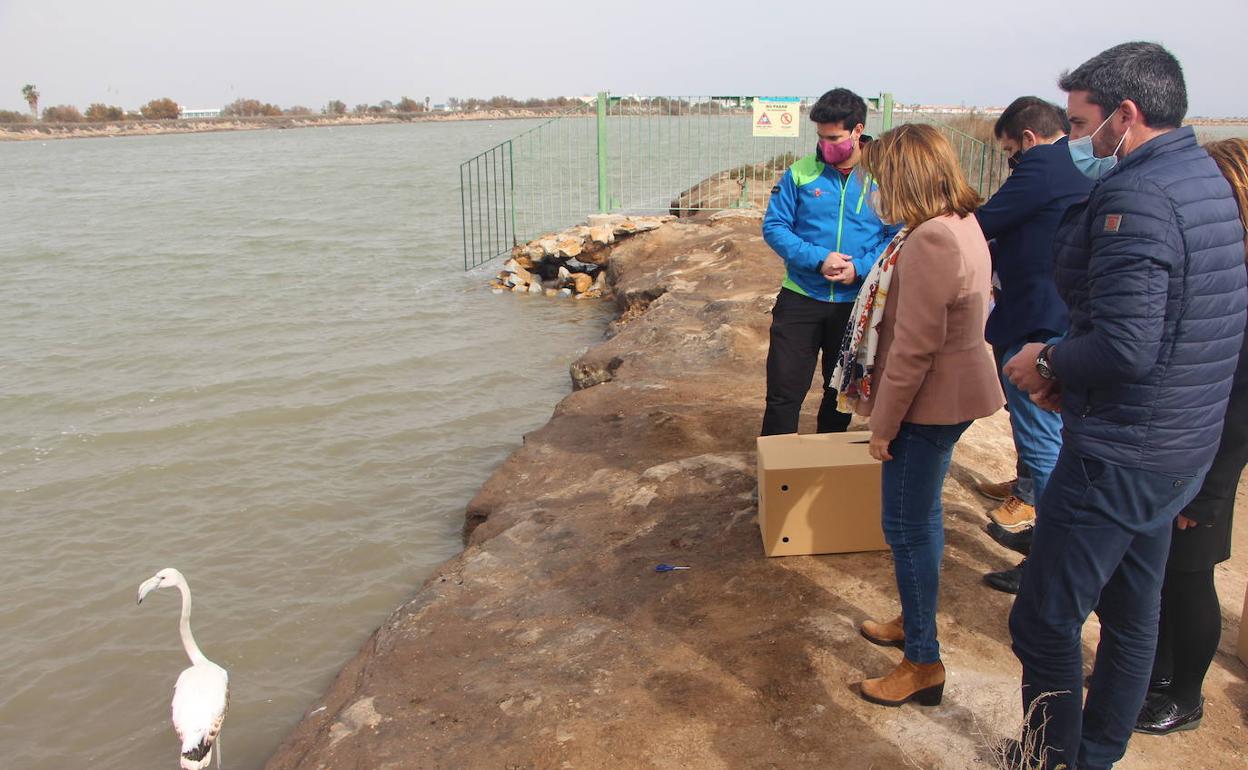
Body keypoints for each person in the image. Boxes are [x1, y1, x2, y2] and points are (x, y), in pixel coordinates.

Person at [1003, 42, 1247, 770]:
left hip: (1122, 451)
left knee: (1043, 621)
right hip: (1176, 442)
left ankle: (1055, 759)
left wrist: (1044, 360)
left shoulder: (1139, 196)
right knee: (1133, 611)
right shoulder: (1203, 177)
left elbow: (1130, 344)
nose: (1075, 141)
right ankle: (1098, 754)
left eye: (1080, 125)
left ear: (1126, 116)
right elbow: (1176, 329)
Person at [828, 123, 1003, 707]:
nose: (874, 188)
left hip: (931, 402)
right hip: (953, 392)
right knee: (920, 517)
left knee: (906, 524)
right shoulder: (958, 222)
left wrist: (883, 426)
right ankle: (913, 620)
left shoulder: (929, 239)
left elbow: (914, 346)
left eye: (880, 177)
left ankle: (923, 661)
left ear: (905, 176)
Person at [1135, 137, 1248, 736]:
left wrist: (1209, 492)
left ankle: (1187, 695)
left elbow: (1240, 408)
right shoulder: (1220, 268)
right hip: (1185, 449)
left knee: (1190, 577)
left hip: (1211, 463)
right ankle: (1158, 671)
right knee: (1165, 575)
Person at [974, 97, 1093, 594]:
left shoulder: (1044, 162)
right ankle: (1054, 543)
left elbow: (981, 224)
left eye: (1010, 153)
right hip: (1066, 318)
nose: (1012, 163)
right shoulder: (1087, 169)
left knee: (1044, 444)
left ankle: (1047, 561)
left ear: (1027, 138)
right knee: (1053, 439)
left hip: (1037, 325)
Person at [760, 88, 899, 436]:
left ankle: (826, 473)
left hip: (856, 301)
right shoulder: (800, 173)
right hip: (801, 296)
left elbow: (895, 235)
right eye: (820, 137)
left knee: (839, 393)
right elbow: (775, 226)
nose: (825, 144)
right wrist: (818, 259)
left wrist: (860, 267)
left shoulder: (883, 176)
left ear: (857, 130)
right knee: (783, 392)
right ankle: (778, 479)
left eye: (833, 137)